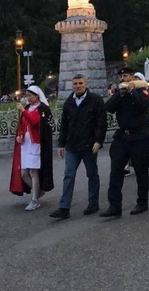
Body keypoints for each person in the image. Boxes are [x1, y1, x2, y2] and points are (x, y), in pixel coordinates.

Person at [50, 75, 108, 220]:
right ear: (72, 85)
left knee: (92, 174)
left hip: (89, 145)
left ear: (86, 84)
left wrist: (98, 141)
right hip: (72, 145)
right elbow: (64, 125)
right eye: (75, 83)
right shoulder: (69, 102)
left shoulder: (95, 100)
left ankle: (93, 203)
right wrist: (61, 144)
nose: (78, 86)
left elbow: (101, 122)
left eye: (80, 83)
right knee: (68, 175)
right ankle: (64, 207)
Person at [100, 67, 149, 217]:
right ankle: (114, 206)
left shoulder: (141, 90)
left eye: (126, 76)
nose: (123, 79)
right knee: (116, 170)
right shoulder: (119, 93)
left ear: (133, 77)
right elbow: (108, 108)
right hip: (123, 136)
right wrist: (119, 94)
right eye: (121, 76)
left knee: (141, 170)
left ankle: (142, 202)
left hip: (139, 135)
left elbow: (144, 105)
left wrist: (131, 91)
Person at [9, 86, 54, 210]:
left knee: (33, 172)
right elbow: (23, 125)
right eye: (27, 95)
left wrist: (23, 111)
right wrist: (20, 135)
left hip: (36, 143)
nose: (28, 98)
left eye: (30, 95)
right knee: (24, 173)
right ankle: (37, 192)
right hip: (26, 143)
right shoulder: (28, 108)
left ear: (37, 96)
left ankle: (35, 199)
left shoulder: (42, 109)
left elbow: (34, 122)